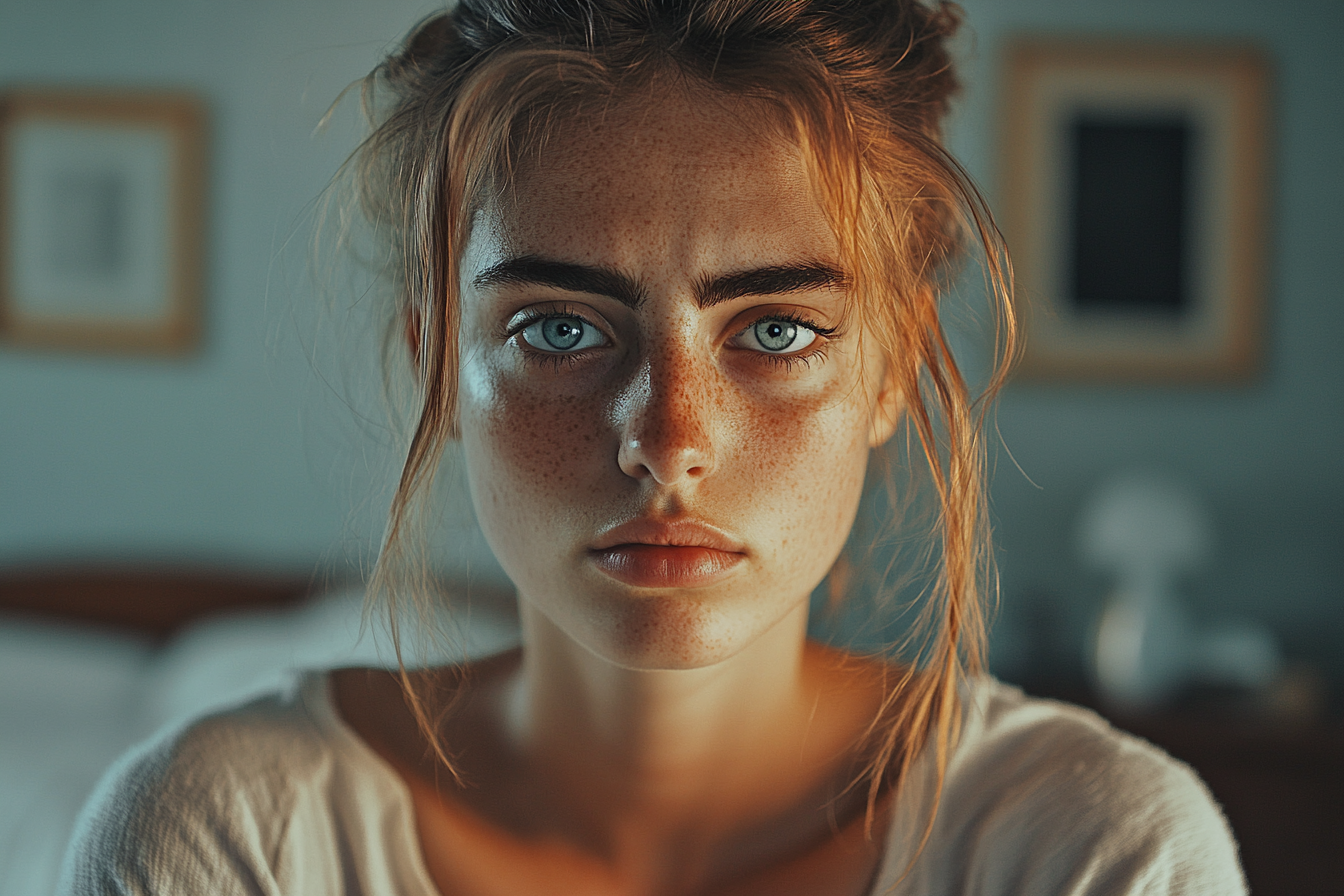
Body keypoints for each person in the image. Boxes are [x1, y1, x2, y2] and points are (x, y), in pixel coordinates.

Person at [60, 1, 1246, 894]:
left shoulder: (1092, 849)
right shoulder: (223, 837)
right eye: (560, 328)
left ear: (891, 363)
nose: (669, 440)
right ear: (440, 366)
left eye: (775, 330)